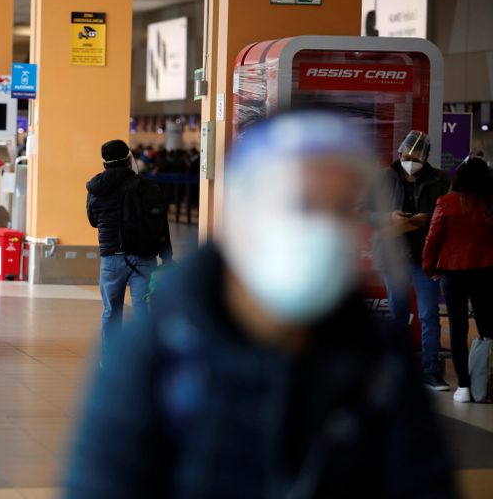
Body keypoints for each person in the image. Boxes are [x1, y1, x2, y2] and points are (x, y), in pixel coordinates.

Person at [66, 112, 457, 498]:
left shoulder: (380, 364)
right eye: (299, 204)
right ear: (244, 214)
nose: (322, 228)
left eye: (341, 209)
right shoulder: (157, 356)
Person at [370, 130, 450, 391]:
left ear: (426, 157)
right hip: (394, 255)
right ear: (400, 152)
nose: (411, 159)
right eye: (408, 154)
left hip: (426, 257)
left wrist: (427, 219)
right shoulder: (384, 177)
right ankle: (398, 371)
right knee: (398, 314)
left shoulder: (439, 179)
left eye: (418, 156)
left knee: (429, 315)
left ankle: (432, 370)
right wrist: (388, 218)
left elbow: (445, 213)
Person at [86, 139, 172, 357]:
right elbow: (159, 221)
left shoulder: (95, 189)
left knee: (111, 311)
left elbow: (93, 220)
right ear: (128, 160)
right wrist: (167, 256)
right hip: (142, 258)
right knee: (144, 309)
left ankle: (109, 358)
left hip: (110, 259)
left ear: (104, 163)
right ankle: (145, 360)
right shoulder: (146, 186)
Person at [423, 157, 493, 403]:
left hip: (452, 273)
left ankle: (463, 386)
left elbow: (433, 239)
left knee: (458, 328)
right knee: (486, 329)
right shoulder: (490, 203)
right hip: (486, 272)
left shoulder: (446, 202)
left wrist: (429, 267)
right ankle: (482, 384)